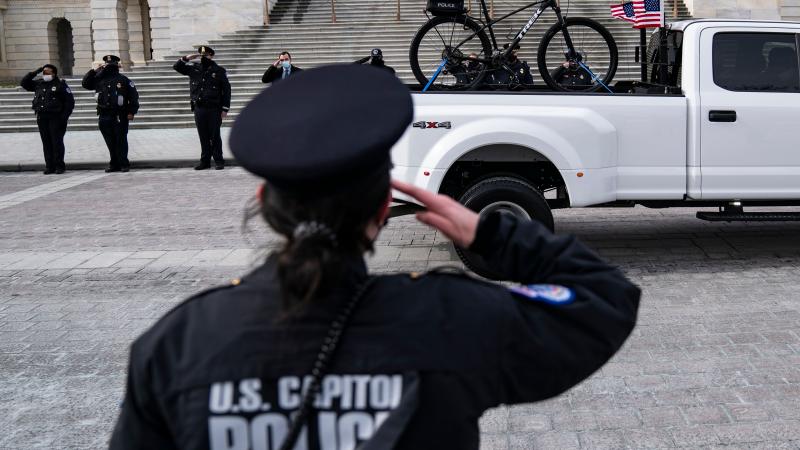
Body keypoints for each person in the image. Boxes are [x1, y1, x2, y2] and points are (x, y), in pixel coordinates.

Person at [109, 65, 640, 450]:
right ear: (386, 204)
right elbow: (604, 296)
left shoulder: (177, 342)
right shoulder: (453, 317)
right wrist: (488, 233)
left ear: (262, 203)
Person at [174, 46, 232, 170]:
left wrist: (225, 109)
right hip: (199, 108)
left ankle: (218, 160)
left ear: (212, 56)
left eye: (206, 55)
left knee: (215, 135)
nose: (203, 58)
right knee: (203, 135)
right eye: (201, 55)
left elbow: (226, 91)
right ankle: (205, 161)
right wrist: (186, 58)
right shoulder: (194, 68)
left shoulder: (219, 70)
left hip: (214, 109)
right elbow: (177, 67)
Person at [81, 55, 139, 173]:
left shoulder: (123, 80)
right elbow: (86, 84)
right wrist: (94, 70)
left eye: (112, 65)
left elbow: (133, 97)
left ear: (117, 66)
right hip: (104, 114)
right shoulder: (99, 79)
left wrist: (131, 112)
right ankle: (114, 164)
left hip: (119, 115)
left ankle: (124, 164)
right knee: (110, 141)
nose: (110, 67)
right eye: (108, 65)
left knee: (120, 140)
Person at [20, 64, 74, 175]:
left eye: (48, 73)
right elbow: (24, 83)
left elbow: (69, 102)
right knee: (46, 143)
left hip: (56, 117)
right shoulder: (39, 83)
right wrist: (35, 72)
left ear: (54, 73)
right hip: (42, 117)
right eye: (44, 73)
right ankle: (50, 166)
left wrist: (63, 117)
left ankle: (59, 166)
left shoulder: (60, 84)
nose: (45, 75)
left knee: (56, 142)